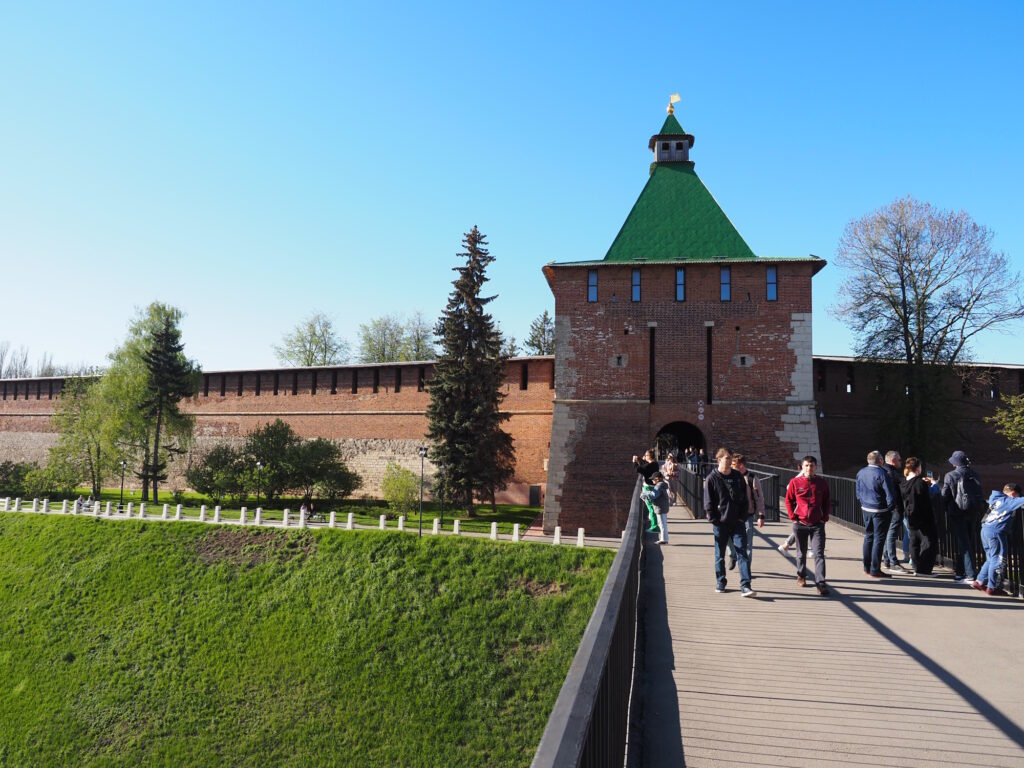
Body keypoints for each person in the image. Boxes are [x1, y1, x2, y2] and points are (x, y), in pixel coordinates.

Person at [703, 448, 755, 597]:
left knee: (742, 553)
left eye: (730, 458)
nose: (730, 461)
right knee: (720, 554)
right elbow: (708, 502)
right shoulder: (712, 478)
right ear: (719, 460)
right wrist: (714, 519)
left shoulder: (738, 476)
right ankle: (721, 581)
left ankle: (746, 585)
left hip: (737, 522)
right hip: (721, 523)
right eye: (727, 458)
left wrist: (742, 517)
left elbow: (746, 499)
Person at [784, 456, 831, 596]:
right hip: (800, 523)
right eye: (806, 466)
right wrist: (793, 517)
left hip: (817, 524)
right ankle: (801, 575)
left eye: (812, 466)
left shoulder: (821, 483)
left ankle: (820, 583)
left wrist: (824, 517)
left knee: (819, 553)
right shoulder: (795, 482)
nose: (809, 468)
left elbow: (827, 501)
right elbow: (788, 500)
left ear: (816, 467)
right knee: (801, 553)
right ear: (802, 467)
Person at [970, 483, 1024, 596]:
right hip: (997, 532)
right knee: (998, 559)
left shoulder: (996, 498)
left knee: (990, 558)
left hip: (985, 530)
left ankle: (979, 581)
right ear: (1013, 494)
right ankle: (992, 587)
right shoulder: (1010, 501)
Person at [941, 450, 983, 584]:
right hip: (973, 512)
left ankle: (970, 575)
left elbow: (945, 495)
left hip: (957, 512)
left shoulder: (950, 475)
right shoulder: (974, 474)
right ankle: (960, 572)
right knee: (966, 541)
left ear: (955, 463)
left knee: (964, 543)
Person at [856, 450, 894, 578]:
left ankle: (867, 567)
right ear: (880, 461)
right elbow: (889, 494)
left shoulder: (861, 472)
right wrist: (891, 508)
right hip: (880, 510)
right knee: (879, 539)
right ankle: (875, 569)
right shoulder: (882, 474)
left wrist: (862, 502)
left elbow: (858, 491)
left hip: (866, 508)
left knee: (869, 537)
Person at [899, 458, 939, 575]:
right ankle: (924, 569)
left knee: (914, 541)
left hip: (910, 516)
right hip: (924, 517)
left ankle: (916, 566)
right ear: (917, 468)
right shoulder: (919, 482)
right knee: (929, 542)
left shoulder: (903, 482)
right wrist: (934, 484)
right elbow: (930, 495)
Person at [729, 454, 765, 571]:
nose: (731, 467)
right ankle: (733, 555)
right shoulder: (730, 476)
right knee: (728, 539)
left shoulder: (752, 478)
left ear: (741, 466)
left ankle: (746, 569)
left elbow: (759, 498)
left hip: (747, 515)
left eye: (733, 465)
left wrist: (761, 515)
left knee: (748, 544)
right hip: (731, 514)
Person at [882, 450, 908, 573]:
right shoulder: (891, 473)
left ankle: (887, 560)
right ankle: (893, 562)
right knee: (891, 534)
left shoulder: (882, 470)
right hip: (895, 508)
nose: (900, 462)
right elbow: (902, 489)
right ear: (893, 461)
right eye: (899, 460)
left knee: (888, 533)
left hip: (886, 508)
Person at [633, 450, 661, 532]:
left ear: (649, 456)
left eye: (645, 455)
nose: (644, 456)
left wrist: (634, 462)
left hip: (648, 488)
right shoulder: (655, 464)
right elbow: (645, 466)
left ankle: (654, 526)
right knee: (652, 507)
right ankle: (654, 524)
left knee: (651, 507)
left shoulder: (650, 465)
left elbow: (638, 469)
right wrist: (640, 460)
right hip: (653, 487)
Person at [641, 471, 671, 545]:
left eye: (653, 479)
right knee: (663, 523)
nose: (652, 480)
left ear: (657, 479)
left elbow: (653, 495)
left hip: (659, 507)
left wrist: (644, 494)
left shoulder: (658, 486)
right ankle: (665, 538)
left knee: (661, 524)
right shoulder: (662, 485)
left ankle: (663, 539)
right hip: (663, 506)